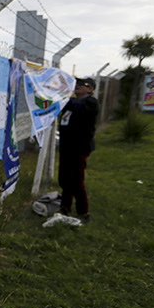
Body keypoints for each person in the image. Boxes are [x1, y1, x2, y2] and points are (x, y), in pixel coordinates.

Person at [57, 77, 99, 223]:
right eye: (77, 84)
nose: (78, 86)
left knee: (76, 179)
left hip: (79, 147)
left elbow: (77, 108)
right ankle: (65, 207)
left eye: (83, 85)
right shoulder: (71, 103)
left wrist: (63, 96)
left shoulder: (90, 103)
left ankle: (83, 212)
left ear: (90, 89)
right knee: (65, 178)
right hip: (67, 147)